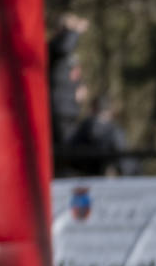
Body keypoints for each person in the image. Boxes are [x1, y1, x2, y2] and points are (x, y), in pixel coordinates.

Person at [68, 95, 139, 176]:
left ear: (92, 109)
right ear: (110, 111)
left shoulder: (82, 128)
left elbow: (70, 150)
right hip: (107, 178)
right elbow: (125, 161)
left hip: (82, 176)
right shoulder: (114, 131)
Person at [48, 13, 89, 151]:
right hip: (60, 110)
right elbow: (64, 47)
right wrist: (75, 30)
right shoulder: (55, 46)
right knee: (65, 149)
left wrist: (80, 87)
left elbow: (70, 76)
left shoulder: (68, 55)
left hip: (70, 109)